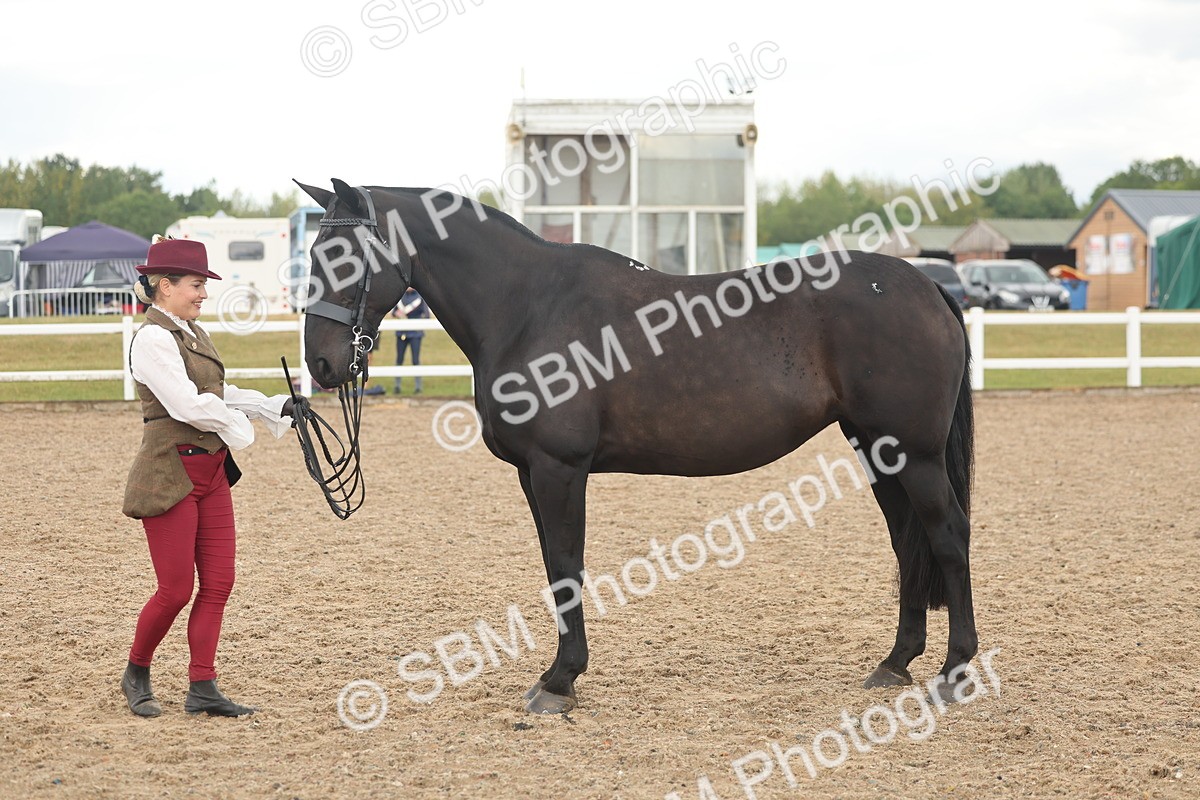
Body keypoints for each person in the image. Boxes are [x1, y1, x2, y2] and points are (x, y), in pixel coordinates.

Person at [120, 236, 296, 718]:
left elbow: (217, 390)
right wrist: (242, 429)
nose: (202, 293)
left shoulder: (191, 331)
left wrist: (272, 405)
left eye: (202, 285)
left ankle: (203, 686)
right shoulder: (153, 338)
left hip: (212, 474)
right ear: (165, 285)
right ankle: (136, 670)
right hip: (170, 474)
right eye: (196, 284)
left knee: (218, 582)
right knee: (175, 589)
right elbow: (188, 405)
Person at [392, 287, 429, 394]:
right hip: (401, 333)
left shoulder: (419, 297)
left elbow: (426, 315)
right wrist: (397, 314)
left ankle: (418, 386)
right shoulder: (400, 296)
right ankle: (397, 386)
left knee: (415, 360)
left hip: (415, 333)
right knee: (399, 359)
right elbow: (394, 312)